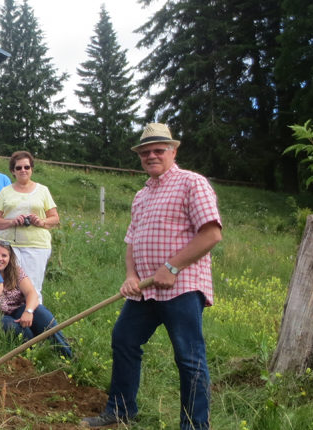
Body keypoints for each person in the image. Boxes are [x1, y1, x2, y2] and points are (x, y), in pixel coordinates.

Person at [82, 123, 222, 429]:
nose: (151, 156)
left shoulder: (191, 183)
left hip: (182, 286)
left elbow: (211, 234)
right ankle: (121, 410)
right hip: (145, 290)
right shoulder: (142, 194)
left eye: (159, 150)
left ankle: (195, 425)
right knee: (124, 338)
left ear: (173, 151)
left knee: (188, 356)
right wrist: (131, 275)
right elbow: (132, 240)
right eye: (145, 152)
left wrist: (171, 267)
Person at [0, 151, 59, 302]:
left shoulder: (42, 190)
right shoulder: (5, 191)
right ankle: (9, 320)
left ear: (31, 169)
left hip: (36, 245)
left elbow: (55, 218)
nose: (23, 170)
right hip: (9, 246)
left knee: (33, 287)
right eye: (18, 168)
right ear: (13, 171)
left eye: (26, 167)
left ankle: (34, 317)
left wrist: (41, 221)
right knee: (9, 286)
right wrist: (12, 221)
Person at [0, 240, 72, 357]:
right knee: (16, 328)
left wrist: (29, 311)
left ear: (9, 257)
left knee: (42, 315)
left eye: (4, 255)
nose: (0, 259)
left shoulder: (16, 271)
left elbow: (31, 293)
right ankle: (37, 355)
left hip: (19, 309)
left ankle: (68, 355)